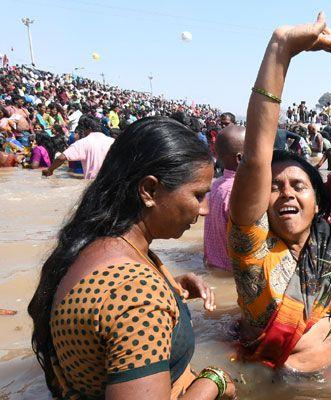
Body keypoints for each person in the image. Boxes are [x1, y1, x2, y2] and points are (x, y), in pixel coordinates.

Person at [28, 117, 236, 399]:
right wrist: (214, 380)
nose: (205, 210)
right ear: (149, 191)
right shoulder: (136, 293)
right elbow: (130, 307)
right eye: (198, 195)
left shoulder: (99, 249)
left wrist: (169, 287)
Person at [227, 13, 331, 373]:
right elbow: (256, 157)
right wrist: (280, 48)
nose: (286, 194)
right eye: (274, 187)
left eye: (298, 185)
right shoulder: (252, 247)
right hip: (276, 387)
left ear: (319, 200)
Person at [203, 125, 245, 272]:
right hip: (232, 273)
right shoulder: (241, 191)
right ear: (240, 158)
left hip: (212, 265)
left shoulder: (215, 185)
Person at [42, 115, 114, 179]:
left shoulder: (83, 142)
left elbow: (61, 158)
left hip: (94, 184)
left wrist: (50, 170)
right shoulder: (112, 141)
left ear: (87, 129)